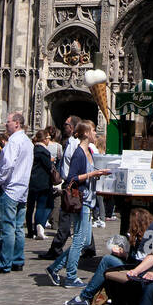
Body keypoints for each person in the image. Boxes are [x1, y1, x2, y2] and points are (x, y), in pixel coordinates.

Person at [68, 191, 153, 305]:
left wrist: (127, 256)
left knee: (108, 260)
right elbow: (151, 254)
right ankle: (93, 295)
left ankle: (86, 296)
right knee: (111, 263)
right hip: (148, 265)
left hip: (152, 268)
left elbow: (145, 255)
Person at [47, 121, 104, 289]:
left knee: (85, 241)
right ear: (86, 133)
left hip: (88, 199)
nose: (95, 133)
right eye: (93, 130)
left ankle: (55, 267)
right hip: (80, 200)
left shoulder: (88, 152)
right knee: (80, 239)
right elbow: (72, 178)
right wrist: (92, 174)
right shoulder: (79, 153)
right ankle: (70, 276)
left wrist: (95, 175)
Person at [0, 111, 34, 275]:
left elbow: (7, 166)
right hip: (22, 189)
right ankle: (17, 260)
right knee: (18, 228)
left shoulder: (13, 142)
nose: (6, 124)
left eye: (8, 122)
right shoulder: (28, 142)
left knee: (7, 228)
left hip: (10, 189)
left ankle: (4, 262)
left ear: (17, 123)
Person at [26, 127, 54, 240]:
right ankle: (39, 226)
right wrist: (51, 161)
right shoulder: (44, 151)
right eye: (48, 138)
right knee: (42, 206)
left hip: (31, 182)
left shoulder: (31, 150)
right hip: (43, 182)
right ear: (44, 139)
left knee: (30, 207)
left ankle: (30, 230)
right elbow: (48, 166)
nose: (49, 140)